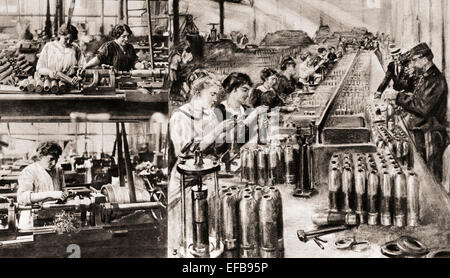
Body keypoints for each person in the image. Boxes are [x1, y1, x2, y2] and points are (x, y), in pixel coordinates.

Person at [167, 70, 235, 256]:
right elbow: (186, 153)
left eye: (217, 95)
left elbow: (214, 145)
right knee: (187, 233)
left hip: (206, 177)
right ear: (197, 94)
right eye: (212, 94)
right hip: (185, 181)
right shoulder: (180, 117)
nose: (215, 99)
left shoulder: (210, 115)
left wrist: (228, 134)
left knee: (208, 226)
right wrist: (216, 132)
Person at [386, 42, 448, 181]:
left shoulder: (435, 80)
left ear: (425, 59)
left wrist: (398, 97)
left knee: (431, 178)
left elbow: (423, 107)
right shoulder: (426, 76)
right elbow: (419, 99)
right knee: (421, 172)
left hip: (430, 134)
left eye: (415, 60)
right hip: (421, 130)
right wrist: (405, 99)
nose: (412, 64)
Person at [17, 141, 67, 205]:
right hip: (35, 212)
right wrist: (50, 194)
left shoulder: (58, 170)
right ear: (41, 157)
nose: (54, 163)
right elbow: (21, 198)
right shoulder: (29, 171)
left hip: (57, 211)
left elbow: (64, 190)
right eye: (51, 159)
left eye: (56, 159)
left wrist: (66, 195)